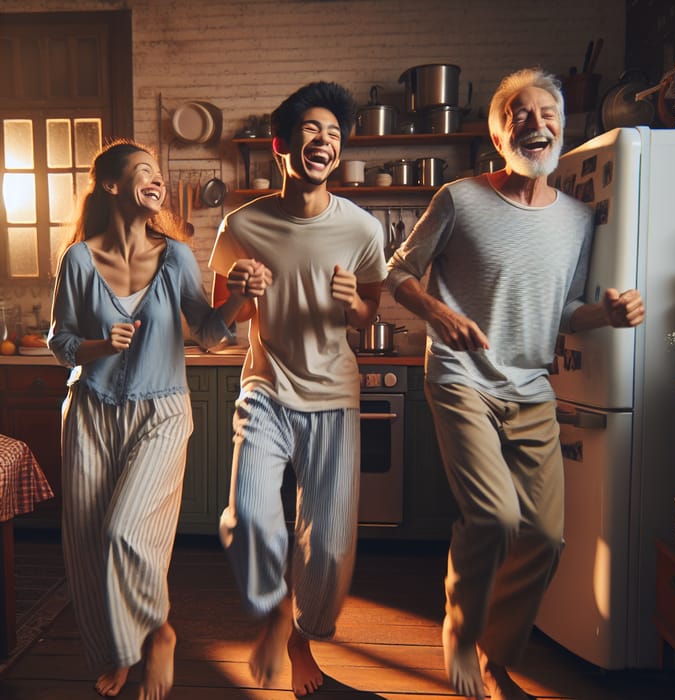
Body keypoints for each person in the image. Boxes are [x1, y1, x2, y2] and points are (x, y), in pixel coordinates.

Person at [385, 68, 645, 700]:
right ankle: (460, 629)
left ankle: (498, 657)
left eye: (547, 113)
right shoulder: (460, 198)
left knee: (546, 535)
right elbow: (398, 274)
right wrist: (442, 315)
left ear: (562, 126)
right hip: (460, 378)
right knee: (496, 518)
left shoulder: (580, 218)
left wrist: (604, 315)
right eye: (519, 115)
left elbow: (564, 313)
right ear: (498, 135)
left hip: (531, 386)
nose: (536, 124)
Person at [209, 81, 386, 696]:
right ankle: (271, 614)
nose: (326, 141)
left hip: (335, 397)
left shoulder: (363, 229)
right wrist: (238, 293)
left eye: (335, 134)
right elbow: (217, 322)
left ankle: (302, 637)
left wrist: (354, 303)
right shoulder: (241, 224)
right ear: (282, 145)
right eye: (313, 130)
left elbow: (370, 315)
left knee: (329, 549)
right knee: (252, 519)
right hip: (266, 389)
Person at [48, 139, 241, 700]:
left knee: (125, 532)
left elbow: (207, 333)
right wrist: (97, 345)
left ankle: (157, 633)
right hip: (90, 411)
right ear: (111, 185)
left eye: (159, 172)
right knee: (88, 546)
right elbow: (60, 342)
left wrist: (235, 303)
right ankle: (118, 654)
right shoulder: (78, 260)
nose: (156, 179)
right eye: (143, 171)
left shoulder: (176, 255)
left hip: (161, 411)